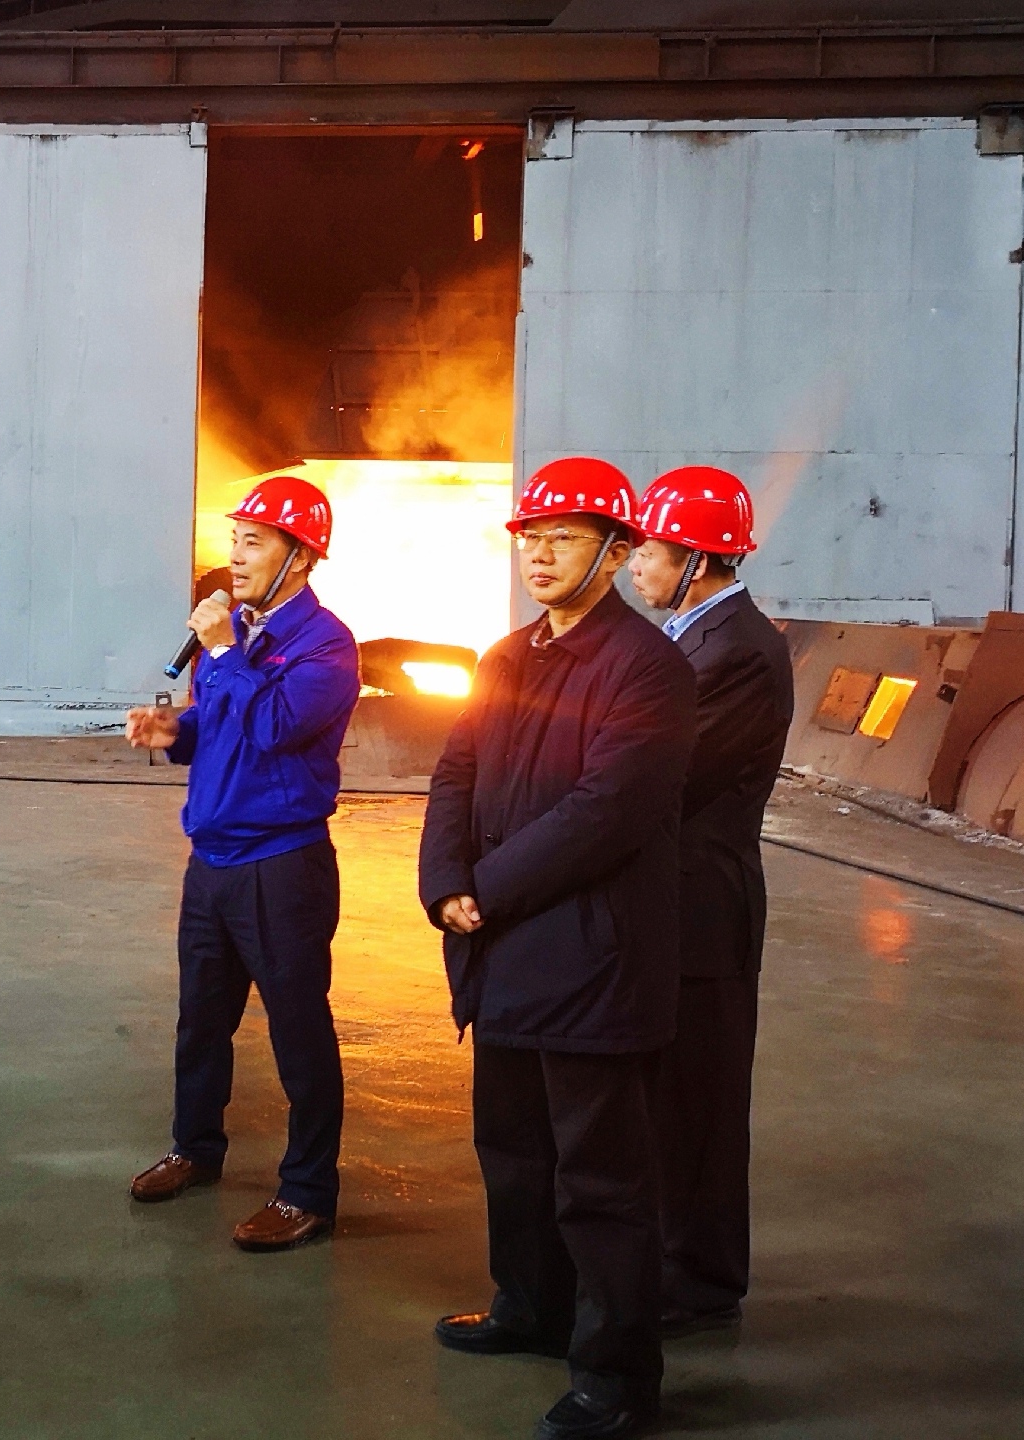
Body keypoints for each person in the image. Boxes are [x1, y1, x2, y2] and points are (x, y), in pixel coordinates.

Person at [419, 457, 697, 1440]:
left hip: (591, 962)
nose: (538, 554)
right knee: (513, 1154)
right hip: (503, 955)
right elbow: (455, 771)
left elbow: (606, 811)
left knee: (601, 1182)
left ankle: (616, 1382)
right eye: (529, 537)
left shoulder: (648, 668)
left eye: (564, 538)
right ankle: (529, 1307)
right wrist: (443, 882)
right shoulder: (505, 658)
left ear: (616, 553)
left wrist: (484, 891)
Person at [126, 475, 361, 1253]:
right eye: (234, 540)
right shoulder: (233, 636)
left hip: (281, 866)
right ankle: (194, 1148)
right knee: (201, 1021)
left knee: (297, 1030)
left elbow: (277, 726)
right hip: (213, 862)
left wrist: (225, 650)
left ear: (301, 557)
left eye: (253, 542)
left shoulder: (326, 644)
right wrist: (174, 733)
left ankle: (307, 1192)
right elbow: (219, 723)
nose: (234, 555)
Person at [629, 465, 793, 1337]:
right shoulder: (691, 638)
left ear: (696, 560)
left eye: (648, 552)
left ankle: (698, 1283)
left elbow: (665, 775)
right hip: (673, 900)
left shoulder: (735, 652)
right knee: (669, 1098)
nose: (634, 566)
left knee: (699, 1102)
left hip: (704, 907)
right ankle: (666, 1263)